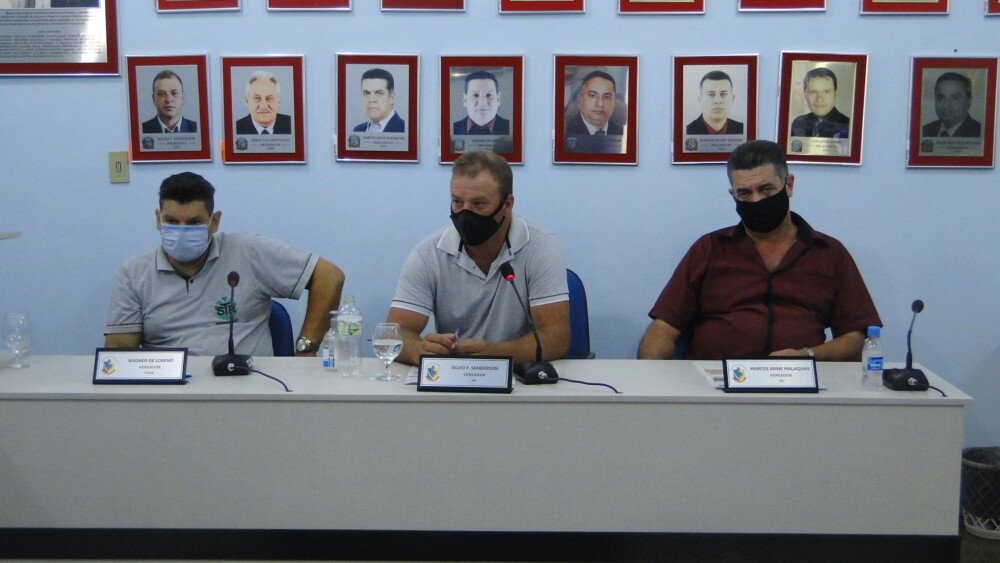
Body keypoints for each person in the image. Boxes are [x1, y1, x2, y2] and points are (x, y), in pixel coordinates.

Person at [638, 140, 880, 361]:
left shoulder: (829, 253)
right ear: (733, 195)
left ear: (789, 185)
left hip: (801, 381)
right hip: (715, 382)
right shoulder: (709, 250)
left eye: (766, 189)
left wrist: (807, 356)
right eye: (745, 193)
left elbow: (856, 337)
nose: (756, 201)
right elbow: (663, 328)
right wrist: (650, 381)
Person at [105, 172, 345, 357]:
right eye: (172, 221)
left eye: (194, 223)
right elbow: (118, 356)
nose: (181, 231)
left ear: (214, 221)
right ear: (158, 219)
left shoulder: (248, 251)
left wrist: (306, 350)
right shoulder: (134, 273)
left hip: (249, 387)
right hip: (171, 392)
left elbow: (329, 276)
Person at [387, 150, 569, 365]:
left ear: (507, 205)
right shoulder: (429, 254)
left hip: (520, 374)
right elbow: (394, 335)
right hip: (453, 373)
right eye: (457, 202)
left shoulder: (540, 247)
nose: (465, 213)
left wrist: (496, 354)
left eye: (478, 204)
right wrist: (421, 350)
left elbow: (556, 338)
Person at [564, 70, 625, 154]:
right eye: (592, 95)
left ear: (614, 103)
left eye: (607, 97)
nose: (600, 104)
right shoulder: (565, 131)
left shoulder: (622, 133)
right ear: (579, 98)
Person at [790, 67, 850, 138]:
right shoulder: (798, 123)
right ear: (805, 94)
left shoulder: (848, 125)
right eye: (813, 92)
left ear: (835, 93)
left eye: (826, 92)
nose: (819, 99)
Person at [921, 72, 982, 138]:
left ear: (968, 102)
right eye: (941, 97)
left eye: (955, 98)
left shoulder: (979, 132)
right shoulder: (925, 130)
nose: (946, 105)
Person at [686, 70, 744, 135]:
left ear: (732, 98)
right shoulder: (687, 132)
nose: (717, 101)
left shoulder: (743, 130)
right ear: (700, 100)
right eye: (711, 94)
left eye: (723, 94)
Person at [235, 70, 292, 135]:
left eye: (269, 98)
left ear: (279, 101)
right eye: (257, 98)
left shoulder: (291, 124)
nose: (263, 106)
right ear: (246, 101)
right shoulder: (235, 128)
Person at [452, 70, 510, 135]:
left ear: (498, 99)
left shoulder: (510, 128)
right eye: (475, 95)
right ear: (465, 100)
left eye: (489, 95)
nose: (482, 102)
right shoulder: (452, 129)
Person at [141, 70, 197, 134]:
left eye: (174, 93)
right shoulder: (141, 130)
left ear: (183, 98)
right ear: (153, 99)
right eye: (161, 94)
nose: (168, 99)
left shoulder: (197, 129)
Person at [352, 67, 405, 133]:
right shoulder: (358, 130)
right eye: (366, 93)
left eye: (379, 93)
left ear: (392, 97)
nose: (371, 100)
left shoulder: (404, 129)